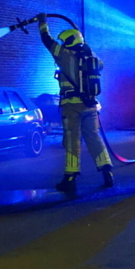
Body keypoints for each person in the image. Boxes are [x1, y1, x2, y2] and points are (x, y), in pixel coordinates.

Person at [37, 13, 113, 195]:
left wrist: (42, 22)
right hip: (91, 106)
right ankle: (107, 171)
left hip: (72, 106)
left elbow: (47, 40)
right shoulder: (92, 59)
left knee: (72, 141)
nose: (62, 44)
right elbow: (101, 65)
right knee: (94, 137)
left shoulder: (64, 55)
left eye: (65, 42)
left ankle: (70, 178)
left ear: (69, 42)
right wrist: (85, 45)